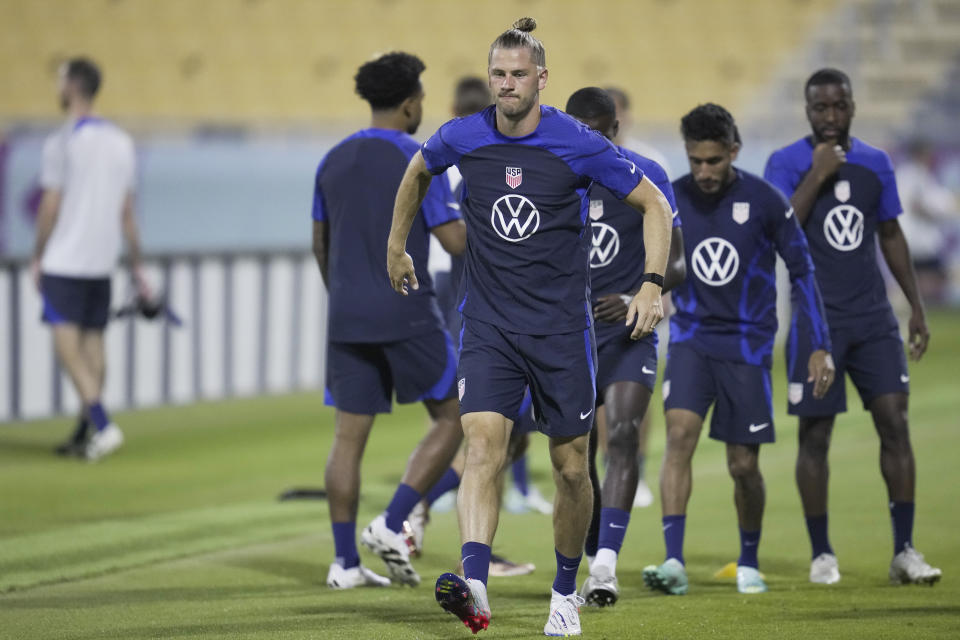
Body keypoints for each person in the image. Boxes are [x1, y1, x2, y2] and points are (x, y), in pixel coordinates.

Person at [387, 17, 674, 636]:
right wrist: (396, 245)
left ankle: (565, 592)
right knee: (483, 445)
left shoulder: (578, 142)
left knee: (572, 467)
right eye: (498, 74)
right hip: (488, 324)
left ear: (542, 79)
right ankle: (476, 584)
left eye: (519, 75)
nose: (507, 84)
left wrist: (652, 284)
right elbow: (416, 171)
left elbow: (655, 203)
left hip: (560, 332)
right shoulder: (463, 136)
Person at [643, 103, 835, 597]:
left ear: (733, 151)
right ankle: (673, 560)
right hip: (691, 340)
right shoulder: (671, 198)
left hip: (747, 347)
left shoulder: (767, 201)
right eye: (695, 161)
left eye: (713, 161)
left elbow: (803, 271)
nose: (704, 172)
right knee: (679, 435)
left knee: (743, 466)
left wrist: (817, 344)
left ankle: (749, 559)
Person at [764, 68, 942, 586]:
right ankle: (822, 554)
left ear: (852, 107)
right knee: (815, 435)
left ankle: (904, 551)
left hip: (873, 319)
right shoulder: (787, 163)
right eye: (820, 108)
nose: (830, 117)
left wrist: (916, 309)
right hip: (816, 324)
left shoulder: (875, 162)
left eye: (839, 106)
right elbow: (779, 232)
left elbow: (890, 235)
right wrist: (817, 176)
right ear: (807, 111)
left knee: (895, 422)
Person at [312, 52, 467, 591]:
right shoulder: (419, 157)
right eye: (421, 97)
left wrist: (346, 296)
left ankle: (343, 563)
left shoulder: (332, 159)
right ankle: (393, 520)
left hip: (345, 314)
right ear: (409, 102)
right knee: (457, 416)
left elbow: (320, 243)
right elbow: (453, 240)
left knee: (348, 439)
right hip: (405, 308)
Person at [562, 87, 685, 608]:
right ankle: (594, 556)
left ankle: (607, 566)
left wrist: (641, 294)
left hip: (630, 331)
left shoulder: (647, 176)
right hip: (567, 337)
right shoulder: (553, 179)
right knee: (576, 454)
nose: (590, 139)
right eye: (579, 130)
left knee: (625, 435)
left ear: (615, 129)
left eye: (599, 129)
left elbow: (677, 264)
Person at [31, 57, 149, 461]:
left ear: (72, 87)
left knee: (66, 345)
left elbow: (50, 205)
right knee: (94, 342)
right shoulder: (121, 142)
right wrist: (137, 264)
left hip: (65, 257)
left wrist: (37, 255)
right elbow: (127, 212)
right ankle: (86, 431)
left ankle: (102, 424)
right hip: (102, 260)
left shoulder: (62, 141)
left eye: (60, 80)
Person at [603, 86, 674, 509]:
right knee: (598, 403)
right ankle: (609, 467)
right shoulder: (578, 168)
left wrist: (648, 291)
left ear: (626, 116)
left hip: (639, 296)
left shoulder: (650, 165)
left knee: (636, 390)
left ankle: (637, 468)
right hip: (593, 303)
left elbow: (667, 235)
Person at [895, 139, 958, 306]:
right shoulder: (914, 174)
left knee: (923, 276)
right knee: (933, 275)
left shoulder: (912, 173)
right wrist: (937, 213)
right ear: (920, 154)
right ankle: (918, 307)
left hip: (912, 237)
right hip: (916, 238)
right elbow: (918, 205)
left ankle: (914, 306)